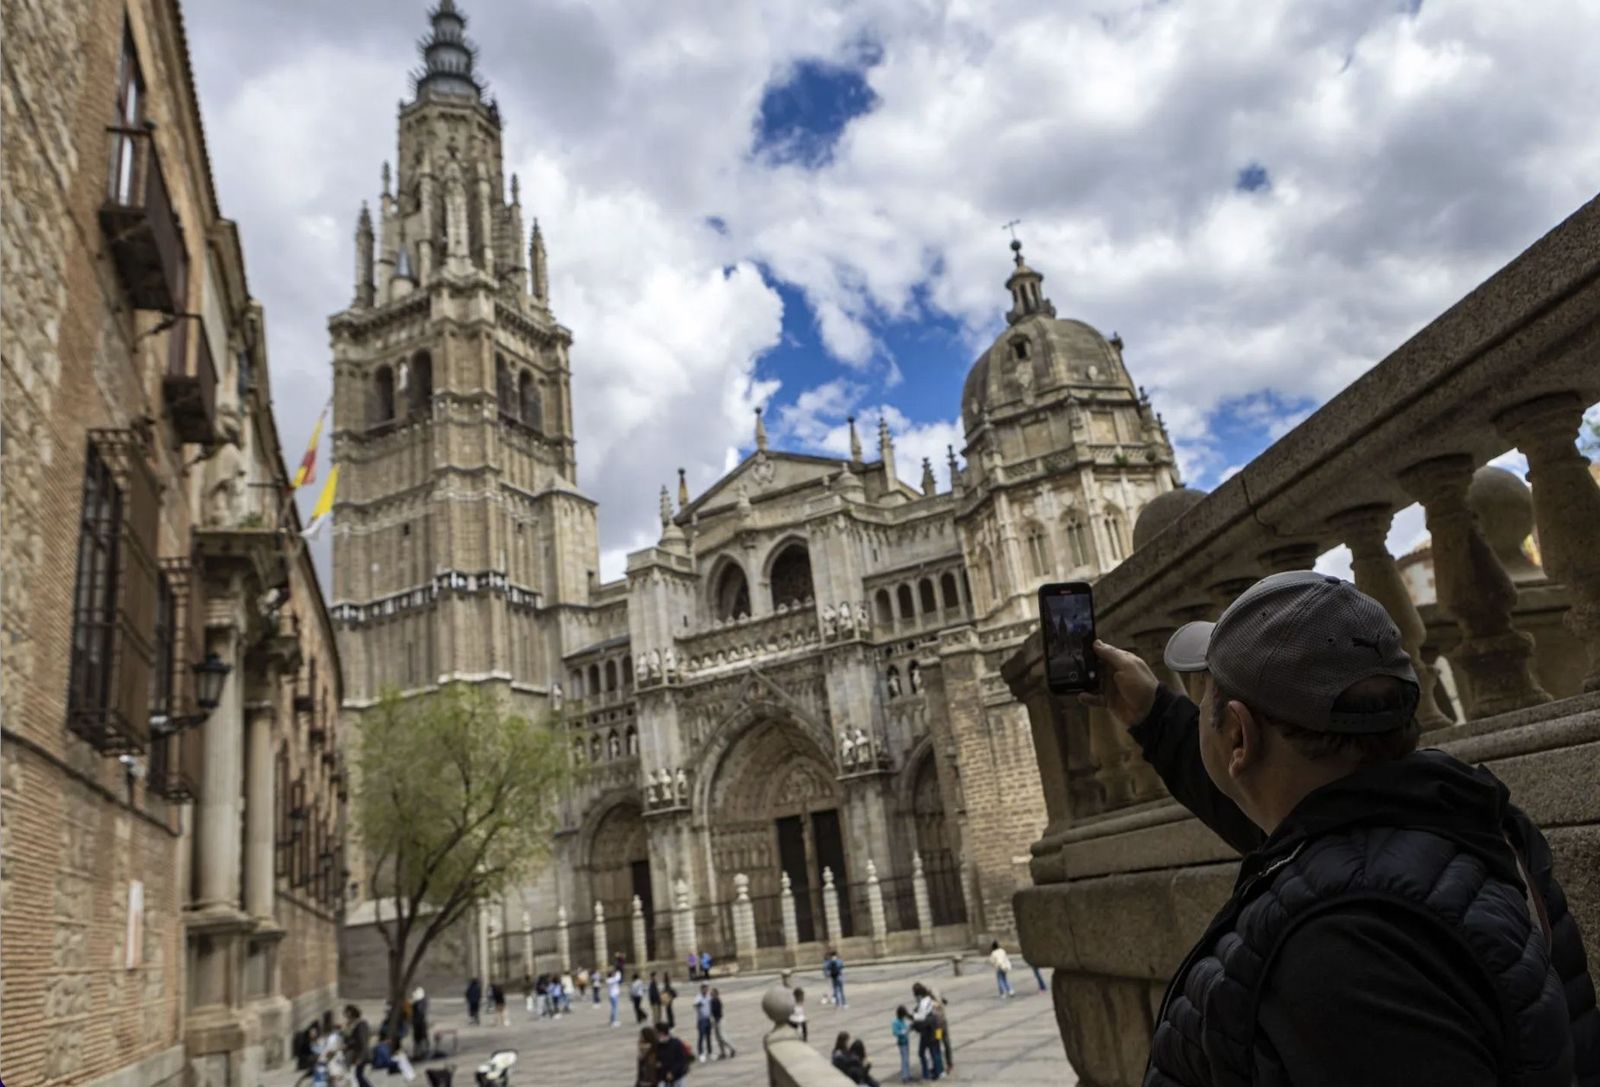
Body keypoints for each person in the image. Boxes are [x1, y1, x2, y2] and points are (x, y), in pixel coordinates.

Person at [1085, 570, 1599, 1085]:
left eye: (1204, 699)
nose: (1198, 712)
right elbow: (1282, 822)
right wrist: (1152, 715)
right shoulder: (1463, 822)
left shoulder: (1343, 949)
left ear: (1237, 734)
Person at [910, 984, 942, 1081]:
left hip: (930, 1031)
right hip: (938, 1027)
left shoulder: (923, 1003)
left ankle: (932, 1073)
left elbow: (922, 1017)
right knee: (936, 1050)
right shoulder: (930, 999)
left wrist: (912, 1018)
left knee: (927, 1052)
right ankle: (939, 1070)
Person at [343, 1005, 373, 1087]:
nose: (346, 1017)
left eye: (348, 1015)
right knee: (358, 1075)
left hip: (361, 1054)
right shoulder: (352, 1025)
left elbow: (363, 1041)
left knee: (358, 1076)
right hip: (356, 1054)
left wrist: (361, 1057)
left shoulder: (361, 1024)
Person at [655, 1021, 691, 1086]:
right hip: (664, 1078)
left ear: (661, 1033)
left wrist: (672, 1072)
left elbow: (681, 1060)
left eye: (656, 1033)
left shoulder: (676, 1043)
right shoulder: (657, 1045)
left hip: (677, 1078)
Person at [709, 986, 735, 1060]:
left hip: (719, 1021)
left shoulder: (716, 1001)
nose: (711, 994)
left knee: (721, 1037)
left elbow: (717, 1013)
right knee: (718, 1038)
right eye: (711, 993)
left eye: (713, 993)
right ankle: (723, 1052)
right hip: (716, 1021)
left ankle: (731, 1048)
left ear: (716, 994)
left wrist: (715, 1022)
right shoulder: (712, 1001)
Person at [890, 1006, 912, 1084]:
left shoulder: (903, 1020)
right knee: (904, 1059)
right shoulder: (895, 1022)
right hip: (901, 1042)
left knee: (907, 1058)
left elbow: (907, 1027)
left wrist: (908, 1029)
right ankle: (904, 1076)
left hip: (906, 1041)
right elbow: (895, 1032)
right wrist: (902, 1032)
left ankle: (908, 1074)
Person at [694, 983, 715, 1062]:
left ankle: (710, 1052)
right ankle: (701, 1053)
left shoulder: (708, 997)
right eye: (705, 989)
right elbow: (696, 1006)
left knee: (708, 1036)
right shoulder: (698, 997)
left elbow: (711, 1005)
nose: (706, 990)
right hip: (701, 1020)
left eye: (707, 989)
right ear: (701, 989)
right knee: (701, 1037)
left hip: (708, 1018)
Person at [409, 987, 429, 1057]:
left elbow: (421, 1012)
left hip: (420, 1022)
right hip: (417, 1022)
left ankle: (422, 1052)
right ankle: (419, 1052)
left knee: (421, 1037)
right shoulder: (418, 1002)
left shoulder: (421, 1002)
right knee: (418, 1038)